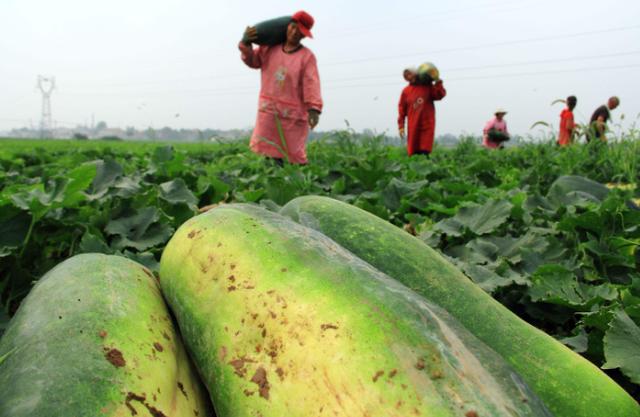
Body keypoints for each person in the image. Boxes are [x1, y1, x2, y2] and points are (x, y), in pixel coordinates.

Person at [238, 11, 322, 165]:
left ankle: (300, 186)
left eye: (300, 32)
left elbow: (312, 83)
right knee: (267, 154)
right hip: (268, 112)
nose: (295, 33)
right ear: (287, 26)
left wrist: (314, 109)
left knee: (293, 157)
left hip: (293, 116)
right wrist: (246, 43)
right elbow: (252, 61)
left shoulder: (307, 57)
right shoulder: (269, 49)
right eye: (293, 27)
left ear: (304, 35)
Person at [397, 69, 446, 156]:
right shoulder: (406, 91)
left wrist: (438, 81)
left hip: (427, 125)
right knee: (413, 154)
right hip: (413, 126)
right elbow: (401, 109)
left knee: (425, 152)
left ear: (416, 73)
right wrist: (401, 126)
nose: (408, 77)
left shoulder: (428, 87)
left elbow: (439, 95)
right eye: (406, 76)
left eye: (409, 74)